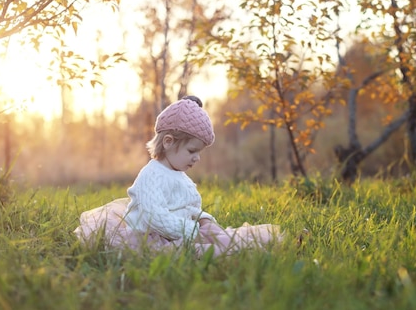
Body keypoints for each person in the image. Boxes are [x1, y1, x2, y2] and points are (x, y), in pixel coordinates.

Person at [74, 96, 283, 256]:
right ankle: (230, 249)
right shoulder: (152, 175)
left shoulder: (180, 175)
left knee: (221, 237)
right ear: (168, 142)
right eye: (192, 151)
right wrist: (191, 230)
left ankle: (247, 245)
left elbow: (190, 206)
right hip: (153, 235)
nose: (197, 158)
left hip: (182, 230)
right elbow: (154, 216)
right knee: (199, 250)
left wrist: (203, 219)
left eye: (199, 152)